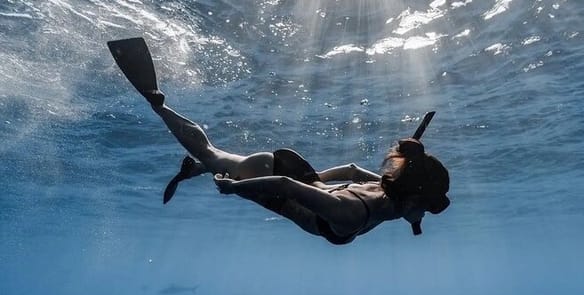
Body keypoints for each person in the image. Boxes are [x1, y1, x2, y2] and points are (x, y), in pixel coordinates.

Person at [107, 37, 450, 245]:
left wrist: (319, 184)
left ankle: (197, 168)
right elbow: (285, 186)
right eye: (429, 207)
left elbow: (351, 169)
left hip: (298, 169)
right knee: (211, 153)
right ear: (412, 198)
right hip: (276, 182)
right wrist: (233, 190)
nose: (426, 215)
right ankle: (158, 103)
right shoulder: (349, 215)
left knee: (215, 158)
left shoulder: (385, 190)